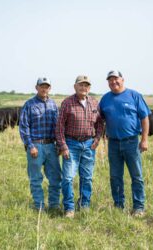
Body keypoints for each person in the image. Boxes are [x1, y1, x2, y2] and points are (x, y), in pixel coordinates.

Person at [99, 70, 151, 217]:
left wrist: (145, 139)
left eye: (116, 79)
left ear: (122, 79)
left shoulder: (134, 95)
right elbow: (99, 119)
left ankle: (139, 207)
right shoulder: (105, 99)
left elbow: (145, 117)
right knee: (115, 176)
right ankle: (118, 205)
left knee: (136, 176)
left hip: (131, 142)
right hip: (113, 143)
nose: (113, 82)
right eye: (110, 80)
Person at [56, 75, 104, 218]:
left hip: (89, 144)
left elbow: (100, 123)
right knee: (68, 178)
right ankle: (69, 208)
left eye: (86, 85)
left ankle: (84, 205)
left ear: (89, 88)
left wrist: (97, 139)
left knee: (87, 177)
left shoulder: (94, 103)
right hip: (71, 144)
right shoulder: (67, 103)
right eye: (81, 85)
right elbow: (59, 127)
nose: (84, 88)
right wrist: (63, 146)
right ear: (75, 86)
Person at [19, 77, 62, 211]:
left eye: (47, 86)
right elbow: (24, 127)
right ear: (36, 88)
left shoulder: (54, 105)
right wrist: (30, 145)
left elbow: (58, 127)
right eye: (41, 86)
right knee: (36, 178)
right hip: (35, 146)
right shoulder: (29, 104)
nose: (44, 89)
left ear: (50, 88)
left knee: (55, 177)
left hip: (51, 146)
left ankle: (54, 205)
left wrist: (59, 144)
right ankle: (39, 206)